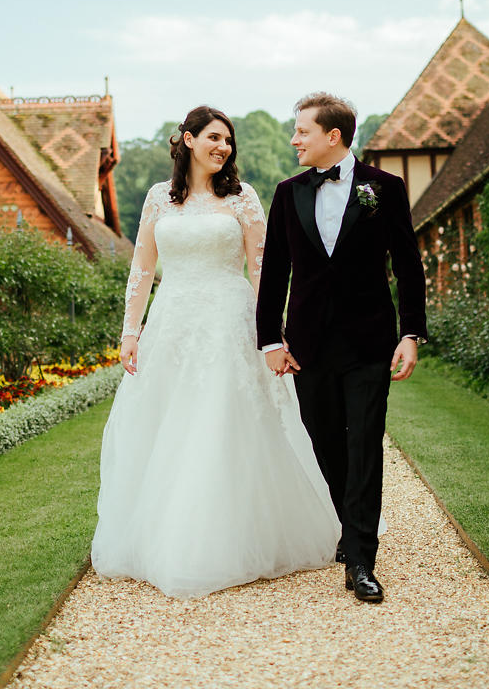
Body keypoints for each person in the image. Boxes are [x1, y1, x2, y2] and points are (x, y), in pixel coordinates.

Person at [91, 106, 340, 599]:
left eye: (228, 140)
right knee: (172, 422)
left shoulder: (243, 198)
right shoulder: (159, 198)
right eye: (212, 137)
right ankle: (170, 534)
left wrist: (273, 332)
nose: (222, 147)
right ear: (187, 140)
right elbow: (142, 266)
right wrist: (130, 332)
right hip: (174, 322)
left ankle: (237, 537)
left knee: (225, 421)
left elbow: (264, 269)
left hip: (229, 321)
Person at [256, 92, 428, 603]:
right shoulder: (287, 194)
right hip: (308, 344)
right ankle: (350, 528)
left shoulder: (386, 188)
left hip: (370, 341)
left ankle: (360, 559)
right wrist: (269, 339)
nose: (294, 140)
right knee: (326, 441)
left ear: (333, 136)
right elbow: (275, 274)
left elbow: (408, 264)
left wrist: (411, 334)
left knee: (364, 444)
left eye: (301, 131)